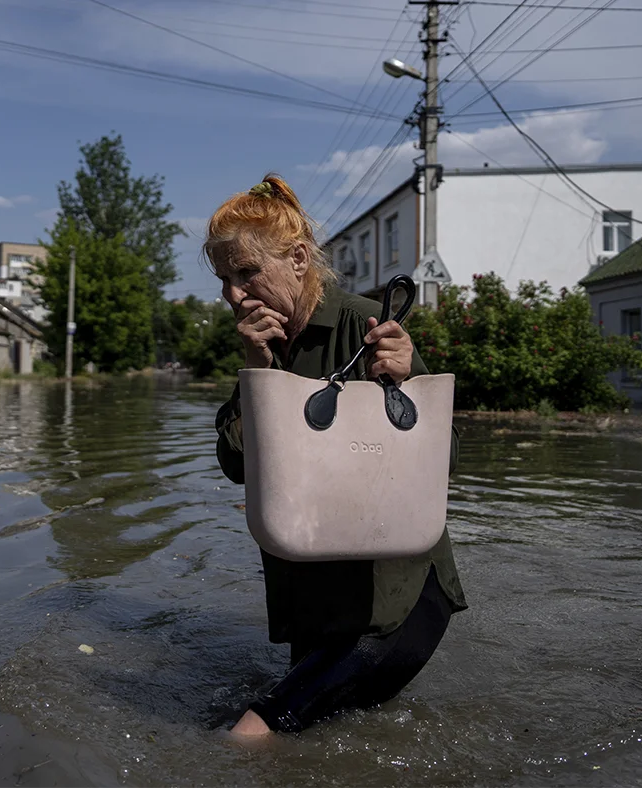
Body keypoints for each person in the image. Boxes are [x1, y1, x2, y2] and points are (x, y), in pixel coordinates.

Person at [205, 174, 468, 736]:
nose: (233, 293)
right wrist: (257, 371)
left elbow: (442, 461)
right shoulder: (265, 344)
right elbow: (235, 467)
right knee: (320, 742)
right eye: (224, 279)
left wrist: (404, 376)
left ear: (299, 258)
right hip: (314, 601)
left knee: (252, 734)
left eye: (247, 272)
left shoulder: (365, 323)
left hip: (393, 600)